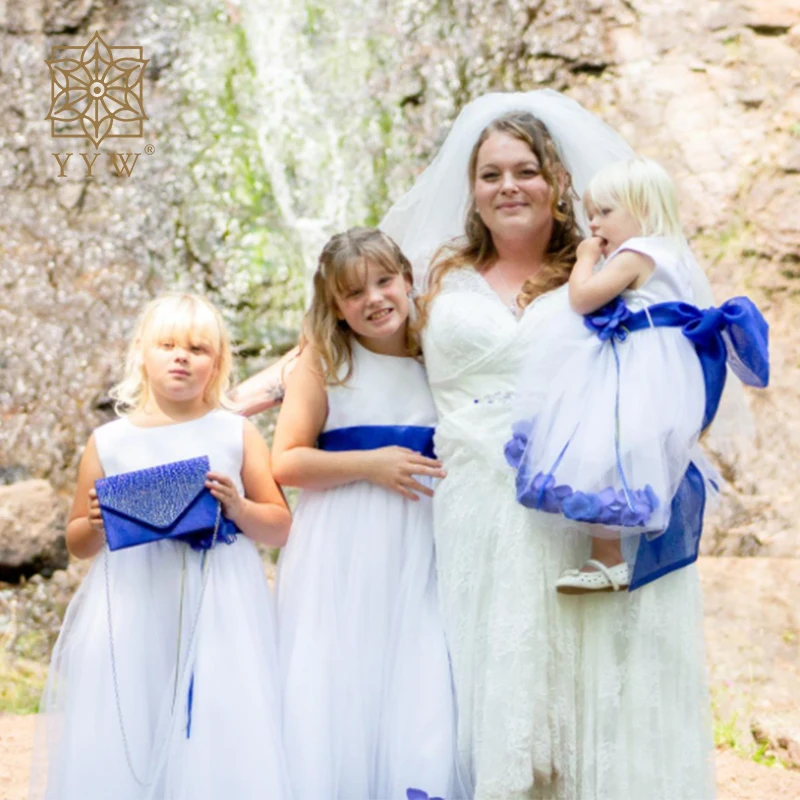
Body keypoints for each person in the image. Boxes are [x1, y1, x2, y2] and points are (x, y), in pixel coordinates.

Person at [381, 91, 719, 799]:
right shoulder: (432, 276)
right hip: (471, 506)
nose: (509, 186)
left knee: (590, 685)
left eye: (526, 170)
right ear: (470, 190)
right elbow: (351, 337)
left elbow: (670, 363)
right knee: (486, 679)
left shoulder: (608, 269)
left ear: (559, 180)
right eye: (491, 174)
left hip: (575, 505)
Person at [32, 293, 294, 800]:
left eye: (197, 348)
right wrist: (94, 523)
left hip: (219, 605)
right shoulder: (109, 442)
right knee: (135, 710)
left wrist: (239, 508)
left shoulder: (236, 433)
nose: (181, 356)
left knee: (219, 719)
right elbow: (77, 543)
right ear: (141, 355)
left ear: (216, 364)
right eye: (167, 344)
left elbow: (280, 525)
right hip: (134, 605)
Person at [505, 157, 768, 594]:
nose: (594, 225)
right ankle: (611, 556)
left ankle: (608, 560)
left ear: (642, 211)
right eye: (591, 214)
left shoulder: (635, 254)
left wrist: (585, 259)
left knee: (602, 451)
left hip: (632, 373)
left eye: (606, 213)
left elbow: (583, 299)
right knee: (621, 458)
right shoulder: (674, 254)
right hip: (666, 375)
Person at [272, 227, 465, 800]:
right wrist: (369, 464)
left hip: (426, 539)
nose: (375, 299)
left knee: (424, 669)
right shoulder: (327, 361)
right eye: (354, 293)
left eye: (384, 281)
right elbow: (286, 460)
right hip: (346, 544)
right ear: (335, 306)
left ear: (407, 279)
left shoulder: (441, 354)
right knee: (345, 675)